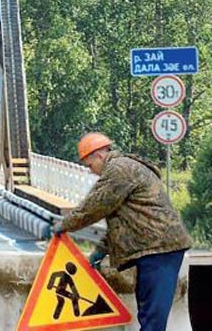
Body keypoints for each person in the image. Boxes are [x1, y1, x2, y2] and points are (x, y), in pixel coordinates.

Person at [50, 132, 192, 331]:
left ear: (99, 155)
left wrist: (64, 224)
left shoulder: (119, 169)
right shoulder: (124, 168)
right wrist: (101, 250)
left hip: (159, 248)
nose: (91, 172)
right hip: (154, 249)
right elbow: (122, 223)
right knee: (149, 315)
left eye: (90, 165)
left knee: (153, 320)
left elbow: (95, 206)